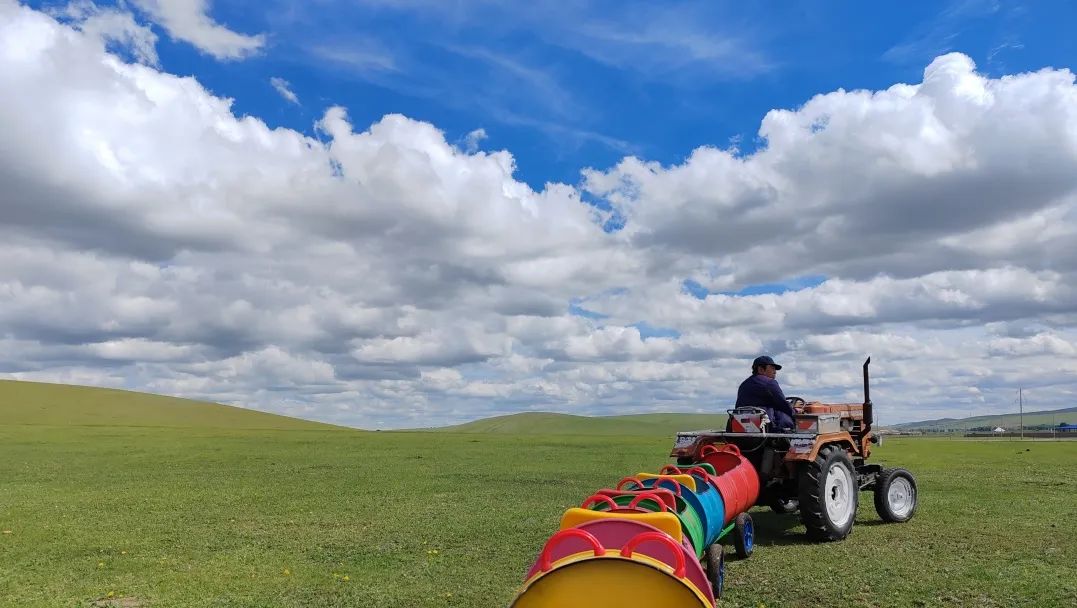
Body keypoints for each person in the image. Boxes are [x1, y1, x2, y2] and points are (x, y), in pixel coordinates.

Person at [735, 355, 796, 431]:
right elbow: (783, 404)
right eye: (772, 368)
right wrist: (796, 414)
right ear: (760, 369)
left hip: (740, 423)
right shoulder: (769, 383)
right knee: (785, 418)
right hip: (764, 425)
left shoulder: (743, 384)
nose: (775, 372)